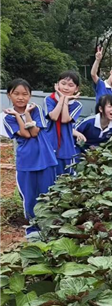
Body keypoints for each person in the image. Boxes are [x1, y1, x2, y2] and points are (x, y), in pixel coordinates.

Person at [3, 79, 57, 238]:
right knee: (29, 197)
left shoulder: (37, 109)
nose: (21, 97)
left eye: (25, 94)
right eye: (16, 94)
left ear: (30, 95)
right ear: (9, 95)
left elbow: (34, 132)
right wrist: (19, 115)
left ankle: (50, 229)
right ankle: (33, 231)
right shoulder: (7, 118)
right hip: (26, 162)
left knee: (48, 195)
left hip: (46, 159)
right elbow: (26, 134)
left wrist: (26, 113)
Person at [43, 70, 83, 176]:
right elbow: (54, 116)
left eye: (71, 85)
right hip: (49, 146)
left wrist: (65, 100)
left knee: (67, 181)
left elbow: (65, 119)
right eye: (63, 84)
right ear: (57, 85)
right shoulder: (49, 99)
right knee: (50, 180)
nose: (66, 88)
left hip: (67, 148)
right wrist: (62, 99)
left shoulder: (77, 104)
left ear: (76, 89)